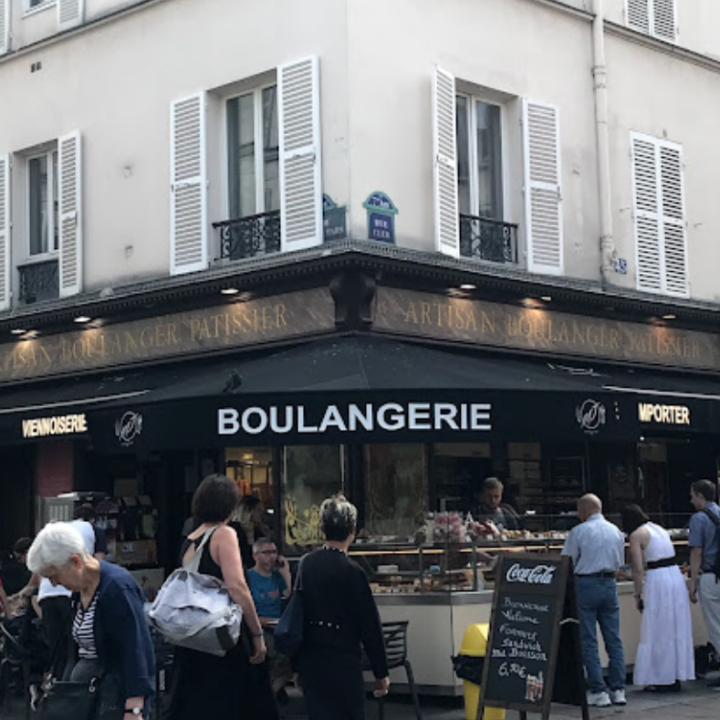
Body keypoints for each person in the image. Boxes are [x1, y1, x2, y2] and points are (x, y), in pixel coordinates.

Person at [164, 474, 277, 720]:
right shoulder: (223, 534)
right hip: (223, 635)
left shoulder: (189, 540)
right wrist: (256, 633)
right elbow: (237, 586)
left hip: (194, 636)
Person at [26, 522, 155, 718]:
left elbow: (136, 649)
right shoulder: (80, 591)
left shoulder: (117, 588)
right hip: (87, 698)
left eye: (54, 576)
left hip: (112, 698)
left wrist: (134, 708)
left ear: (76, 561)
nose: (54, 583)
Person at [297, 495, 389, 720]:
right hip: (343, 656)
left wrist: (295, 662)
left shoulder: (306, 563)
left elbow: (297, 610)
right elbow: (369, 624)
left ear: (321, 528)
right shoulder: (353, 571)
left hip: (311, 656)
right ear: (353, 529)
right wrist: (381, 670)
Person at [562, 494, 626, 708]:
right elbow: (619, 562)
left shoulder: (578, 532)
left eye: (579, 511)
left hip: (586, 584)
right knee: (613, 638)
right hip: (609, 584)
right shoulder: (616, 531)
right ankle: (618, 689)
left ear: (585, 510)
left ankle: (599, 691)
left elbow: (567, 563)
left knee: (588, 640)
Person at [622, 504, 694, 691]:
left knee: (657, 628)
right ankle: (676, 674)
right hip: (674, 576)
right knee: (675, 626)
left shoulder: (636, 535)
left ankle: (661, 676)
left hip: (657, 579)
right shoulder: (660, 529)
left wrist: (638, 594)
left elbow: (638, 568)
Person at [15, 518, 97, 680]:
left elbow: (34, 585)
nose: (53, 582)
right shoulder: (86, 534)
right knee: (71, 649)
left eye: (54, 577)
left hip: (48, 600)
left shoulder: (54, 543)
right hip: (65, 600)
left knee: (58, 650)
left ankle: (57, 685)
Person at [248, 537, 292, 696]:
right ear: (255, 556)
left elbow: (287, 594)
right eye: (267, 553)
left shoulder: (276, 576)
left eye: (274, 552)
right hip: (258, 626)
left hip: (278, 626)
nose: (272, 557)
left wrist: (285, 572)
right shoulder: (248, 577)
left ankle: (273, 691)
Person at [688, 479, 720, 687]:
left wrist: (693, 581)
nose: (691, 500)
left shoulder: (699, 518)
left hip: (710, 576)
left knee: (716, 625)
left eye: (692, 496)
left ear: (700, 496)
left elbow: (696, 551)